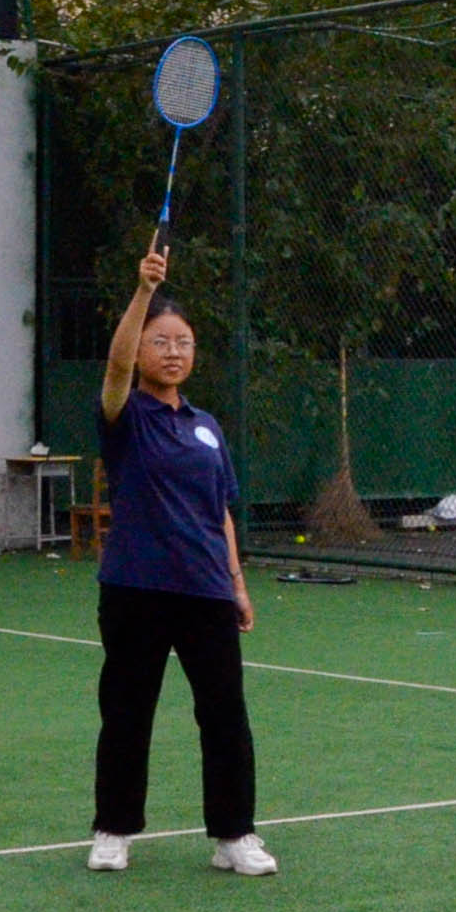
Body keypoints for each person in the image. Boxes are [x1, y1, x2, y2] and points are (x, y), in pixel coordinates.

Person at [88, 244, 272, 878]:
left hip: (206, 591)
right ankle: (113, 830)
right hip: (135, 589)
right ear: (141, 348)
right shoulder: (124, 415)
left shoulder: (207, 427)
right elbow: (115, 364)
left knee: (225, 716)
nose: (174, 352)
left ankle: (234, 836)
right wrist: (143, 290)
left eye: (184, 343)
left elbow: (220, 510)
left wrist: (237, 583)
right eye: (161, 341)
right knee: (127, 711)